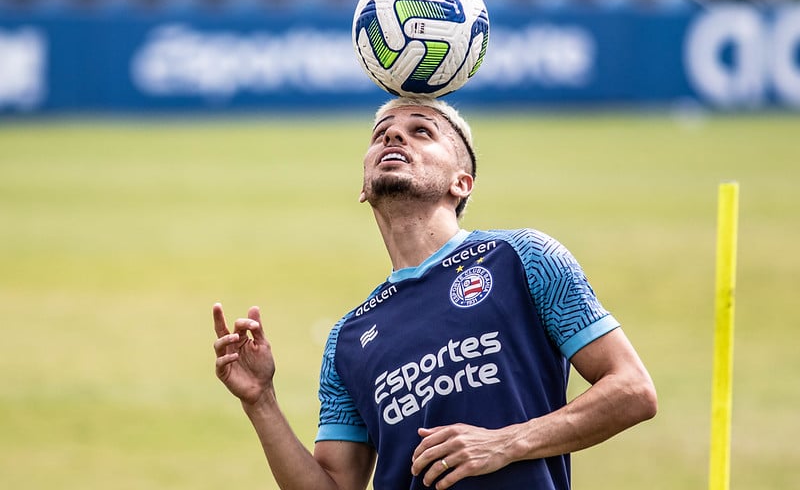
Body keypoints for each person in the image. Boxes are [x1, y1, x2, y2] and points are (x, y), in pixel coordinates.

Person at [212, 97, 657, 490]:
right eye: (382, 135)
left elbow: (633, 390)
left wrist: (505, 443)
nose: (394, 139)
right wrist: (261, 401)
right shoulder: (347, 338)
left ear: (461, 182)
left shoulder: (522, 257)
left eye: (420, 131)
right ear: (364, 188)